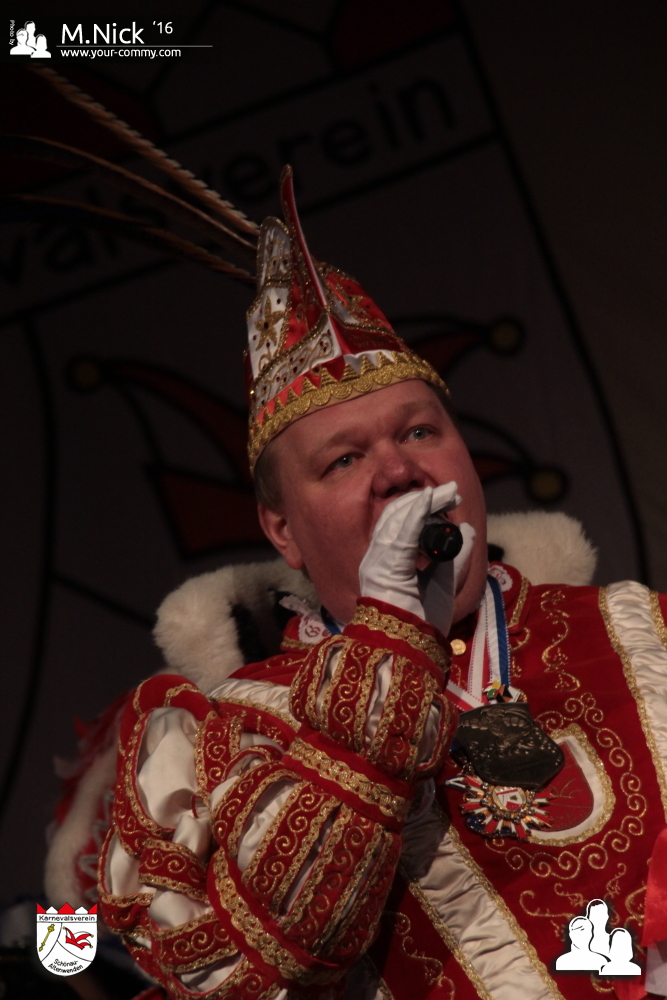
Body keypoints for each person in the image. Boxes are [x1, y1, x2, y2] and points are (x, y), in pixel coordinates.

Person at [45, 167, 667, 1000]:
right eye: (343, 460)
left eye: (419, 432)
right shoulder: (231, 733)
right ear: (281, 530)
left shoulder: (638, 631)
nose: (399, 471)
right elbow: (269, 958)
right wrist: (388, 632)